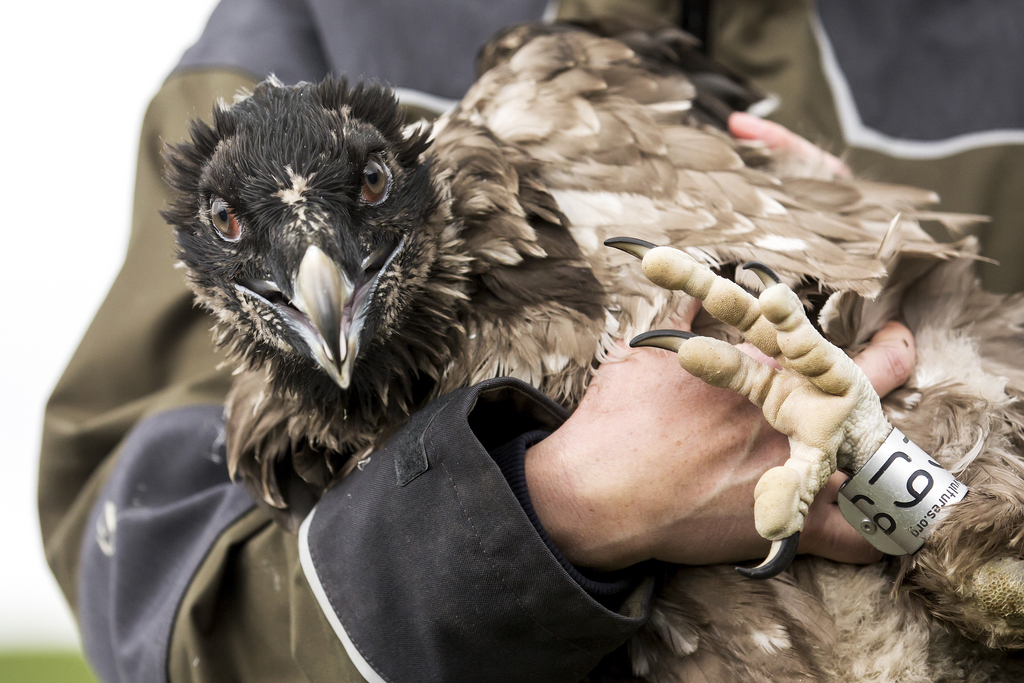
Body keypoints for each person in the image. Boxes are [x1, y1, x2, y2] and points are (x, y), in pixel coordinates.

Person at [39, 2, 916, 681]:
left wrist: (881, 277)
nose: (318, 272)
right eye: (234, 222)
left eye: (374, 183)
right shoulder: (287, 32)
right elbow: (162, 599)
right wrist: (557, 506)